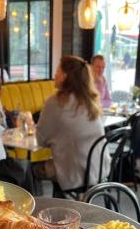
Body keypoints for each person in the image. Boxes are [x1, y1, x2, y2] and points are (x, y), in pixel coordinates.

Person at [35, 55, 110, 192]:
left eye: (57, 70)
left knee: (31, 169)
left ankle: (38, 207)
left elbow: (41, 140)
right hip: (99, 169)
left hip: (75, 174)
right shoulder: (91, 100)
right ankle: (61, 202)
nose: (55, 74)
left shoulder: (56, 102)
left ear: (64, 76)